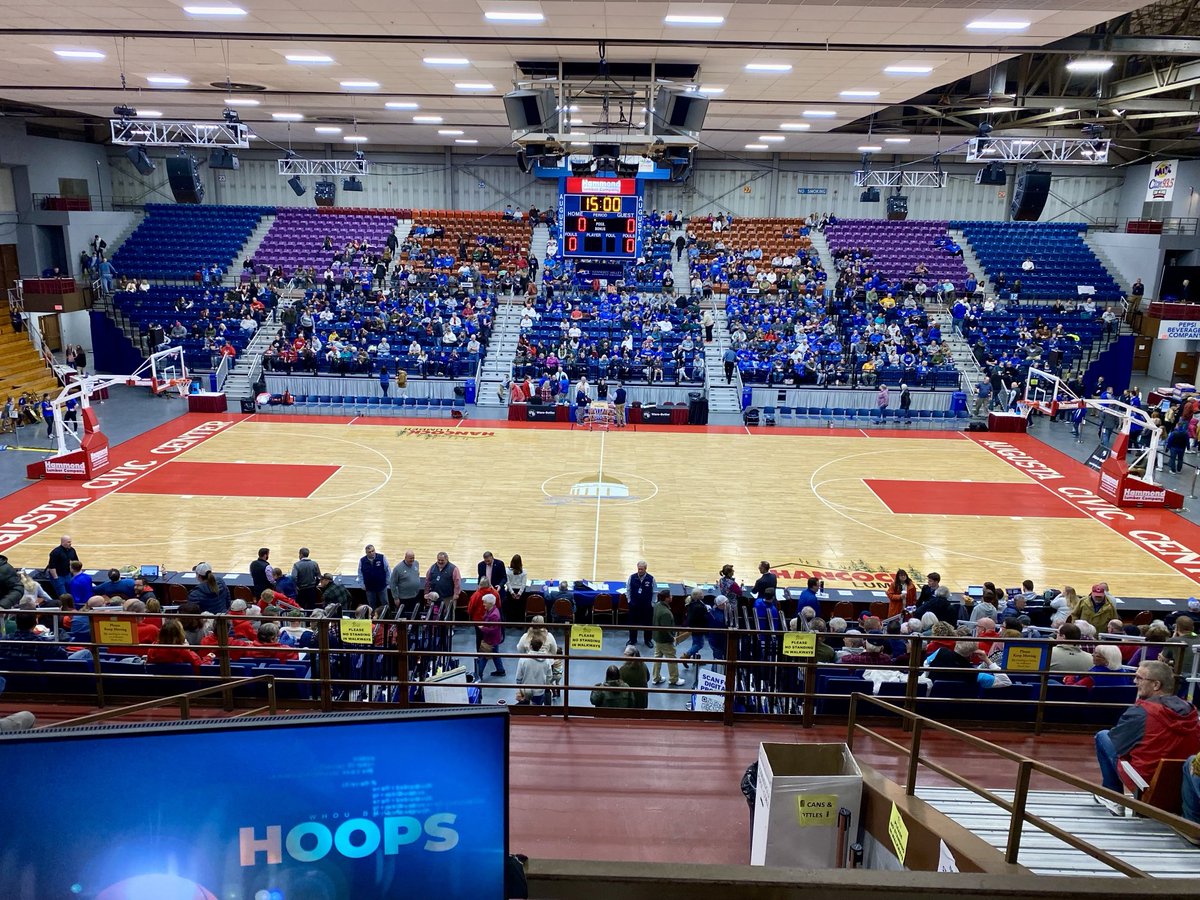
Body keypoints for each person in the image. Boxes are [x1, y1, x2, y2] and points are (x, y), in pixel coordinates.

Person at [1093, 660, 1200, 816]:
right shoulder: (1191, 712)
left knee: (1103, 737)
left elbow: (1118, 745)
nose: (1134, 681)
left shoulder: (1141, 712)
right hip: (1184, 785)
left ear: (1156, 685)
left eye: (1139, 678)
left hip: (1145, 785)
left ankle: (1113, 797)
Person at [651, 589, 684, 686]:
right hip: (665, 640)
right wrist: (672, 639)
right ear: (666, 598)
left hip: (657, 637)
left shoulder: (657, 605)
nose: (672, 597)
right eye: (670, 596)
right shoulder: (665, 612)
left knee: (657, 658)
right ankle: (674, 679)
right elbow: (666, 630)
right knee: (672, 659)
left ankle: (656, 677)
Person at [475, 594, 506, 681]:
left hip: (491, 640)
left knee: (484, 657)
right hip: (493, 639)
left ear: (490, 603)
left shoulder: (494, 615)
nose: (483, 604)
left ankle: (479, 674)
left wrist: (482, 628)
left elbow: (493, 630)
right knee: (495, 654)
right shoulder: (492, 610)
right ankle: (501, 670)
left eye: (484, 603)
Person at [627, 560, 656, 648]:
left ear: (645, 569)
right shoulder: (632, 577)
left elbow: (655, 591)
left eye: (642, 569)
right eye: (639, 569)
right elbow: (628, 590)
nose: (640, 571)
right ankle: (632, 639)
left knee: (648, 624)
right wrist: (629, 601)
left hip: (646, 606)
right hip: (634, 605)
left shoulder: (651, 579)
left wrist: (652, 603)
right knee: (632, 623)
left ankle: (648, 640)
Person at [514, 637, 551, 706]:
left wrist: (521, 689)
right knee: (537, 712)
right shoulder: (547, 660)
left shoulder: (523, 659)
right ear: (540, 647)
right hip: (540, 692)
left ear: (530, 646)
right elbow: (549, 676)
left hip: (525, 692)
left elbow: (518, 677)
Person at [679, 588, 711, 667]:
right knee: (699, 644)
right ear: (697, 596)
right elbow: (703, 617)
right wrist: (707, 612)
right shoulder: (698, 607)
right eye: (701, 593)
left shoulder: (694, 602)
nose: (703, 594)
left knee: (695, 643)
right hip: (698, 627)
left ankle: (695, 659)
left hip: (694, 626)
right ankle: (686, 656)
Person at [388, 549, 423, 619]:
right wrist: (396, 598)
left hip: (415, 596)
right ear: (405, 557)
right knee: (403, 618)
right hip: (404, 598)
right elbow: (393, 584)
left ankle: (415, 629)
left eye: (413, 557)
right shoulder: (398, 568)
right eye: (410, 558)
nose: (412, 560)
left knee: (416, 616)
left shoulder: (416, 563)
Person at [46, 534, 78, 599]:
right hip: (58, 576)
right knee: (63, 595)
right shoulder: (55, 552)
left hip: (67, 574)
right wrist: (56, 578)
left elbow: (76, 562)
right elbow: (52, 567)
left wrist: (76, 574)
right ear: (63, 542)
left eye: (70, 542)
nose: (70, 543)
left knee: (70, 592)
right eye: (68, 542)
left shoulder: (72, 550)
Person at [358, 544, 390, 609]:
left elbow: (387, 570)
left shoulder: (381, 557)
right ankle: (373, 617)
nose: (372, 553)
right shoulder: (362, 561)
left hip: (381, 586)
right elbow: (360, 573)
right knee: (371, 604)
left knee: (385, 603)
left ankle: (387, 616)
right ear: (366, 553)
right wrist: (362, 584)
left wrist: (388, 581)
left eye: (373, 551)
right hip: (369, 588)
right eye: (369, 552)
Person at [620, 645, 651, 709]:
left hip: (631, 699)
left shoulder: (623, 670)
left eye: (625, 654)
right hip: (643, 698)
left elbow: (620, 685)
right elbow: (648, 678)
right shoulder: (643, 665)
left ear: (629, 656)